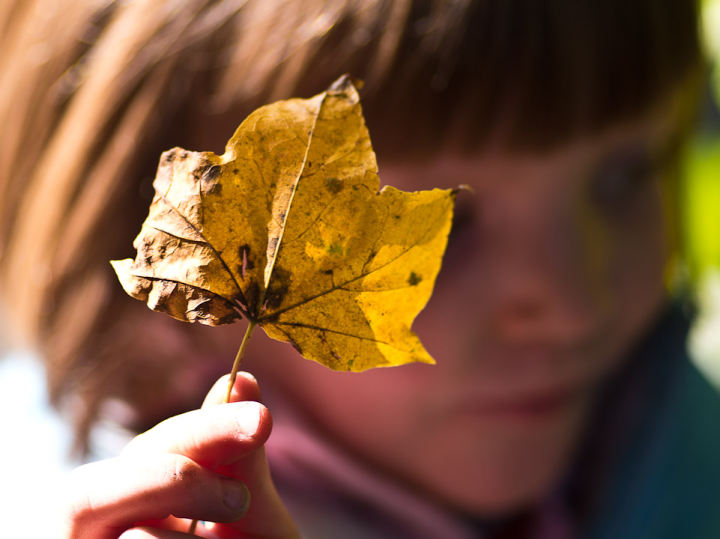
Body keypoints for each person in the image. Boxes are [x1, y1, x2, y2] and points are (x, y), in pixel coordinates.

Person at [1, 0, 718, 537]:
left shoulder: (679, 439)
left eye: (626, 178)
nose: (572, 302)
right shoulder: (66, 504)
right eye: (449, 229)